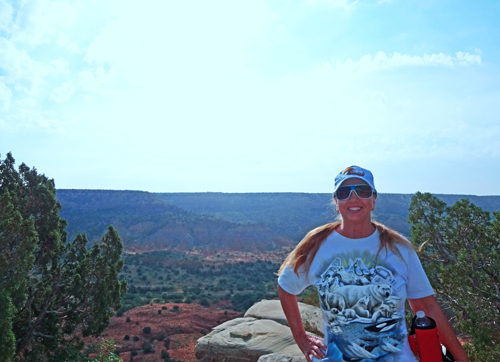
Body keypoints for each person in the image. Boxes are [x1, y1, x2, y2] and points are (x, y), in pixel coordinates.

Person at [277, 165, 469, 362]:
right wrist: (301, 337)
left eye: (362, 190)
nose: (353, 198)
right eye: (344, 192)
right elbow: (286, 286)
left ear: (374, 199)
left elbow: (428, 306)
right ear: (336, 202)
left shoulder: (400, 249)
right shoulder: (317, 246)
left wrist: (461, 358)